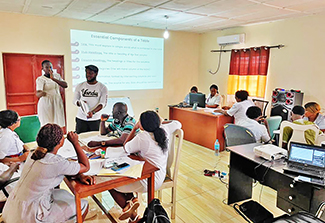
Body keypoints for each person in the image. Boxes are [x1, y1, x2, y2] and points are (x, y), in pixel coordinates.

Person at [2, 124, 94, 223]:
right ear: (60, 142)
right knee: (83, 204)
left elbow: (53, 170)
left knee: (63, 193)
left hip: (12, 209)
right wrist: (76, 143)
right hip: (28, 216)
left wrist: (79, 175)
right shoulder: (56, 162)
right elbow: (85, 166)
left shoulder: (33, 153)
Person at [108, 111, 181, 222]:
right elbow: (178, 123)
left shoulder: (143, 137)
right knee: (124, 175)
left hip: (148, 180)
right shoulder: (164, 130)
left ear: (141, 125)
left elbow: (126, 147)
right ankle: (132, 206)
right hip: (159, 175)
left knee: (111, 183)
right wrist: (162, 122)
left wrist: (134, 129)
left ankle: (128, 206)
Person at [73, 65, 108, 134]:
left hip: (95, 119)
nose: (88, 75)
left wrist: (93, 112)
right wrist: (80, 103)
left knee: (94, 139)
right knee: (80, 139)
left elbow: (103, 103)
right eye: (87, 73)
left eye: (91, 73)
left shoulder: (102, 87)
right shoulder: (80, 86)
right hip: (81, 118)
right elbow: (74, 100)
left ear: (96, 74)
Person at [36, 60, 67, 127]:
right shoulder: (40, 79)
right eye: (47, 67)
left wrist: (53, 78)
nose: (49, 69)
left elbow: (65, 85)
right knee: (48, 124)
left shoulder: (57, 76)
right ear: (43, 69)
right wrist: (42, 93)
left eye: (51, 67)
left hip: (57, 102)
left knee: (58, 124)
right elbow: (38, 94)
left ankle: (58, 137)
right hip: (47, 103)